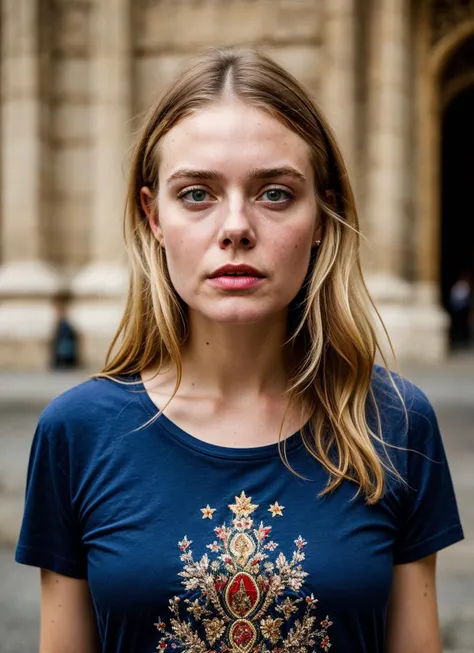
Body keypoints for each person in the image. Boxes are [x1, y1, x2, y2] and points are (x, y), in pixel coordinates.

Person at [16, 48, 463, 653]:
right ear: (152, 215)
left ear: (322, 215)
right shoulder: (77, 432)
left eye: (275, 193)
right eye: (196, 193)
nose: (236, 227)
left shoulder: (394, 423)